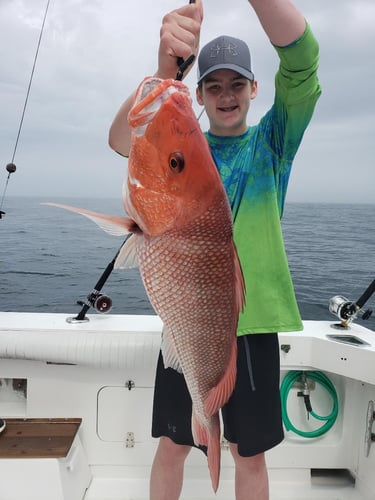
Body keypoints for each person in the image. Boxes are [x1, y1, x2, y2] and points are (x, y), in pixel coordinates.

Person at [108, 1, 321, 498]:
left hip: (253, 325)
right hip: (187, 328)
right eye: (214, 85)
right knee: (174, 444)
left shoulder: (273, 143)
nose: (226, 95)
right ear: (200, 93)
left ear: (254, 90)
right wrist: (164, 71)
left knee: (249, 455)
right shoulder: (179, 146)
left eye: (237, 84)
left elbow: (303, 58)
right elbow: (122, 140)